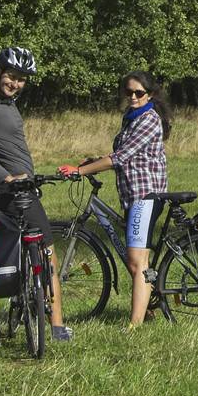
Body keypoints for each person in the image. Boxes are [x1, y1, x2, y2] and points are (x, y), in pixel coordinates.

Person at [0, 45, 71, 347]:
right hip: (0, 191)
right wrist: (4, 176)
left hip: (24, 191)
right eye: (12, 76)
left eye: (22, 79)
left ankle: (57, 325)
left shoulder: (10, 104)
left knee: (46, 252)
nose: (16, 83)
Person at [61, 71, 169, 328]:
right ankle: (149, 310)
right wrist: (92, 162)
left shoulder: (148, 119)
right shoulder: (131, 118)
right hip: (133, 196)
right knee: (138, 260)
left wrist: (80, 171)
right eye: (128, 92)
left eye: (139, 93)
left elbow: (120, 158)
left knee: (136, 261)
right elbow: (121, 152)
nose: (133, 97)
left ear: (150, 95)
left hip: (145, 196)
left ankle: (134, 326)